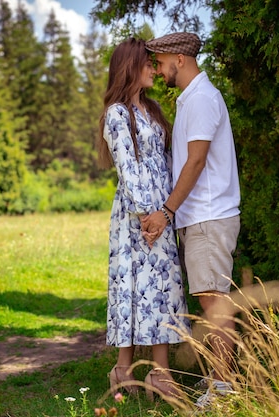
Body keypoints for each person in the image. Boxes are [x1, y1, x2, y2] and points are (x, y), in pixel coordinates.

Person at [141, 32, 241, 408]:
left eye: (160, 61)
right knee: (211, 301)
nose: (157, 68)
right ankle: (220, 384)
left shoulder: (201, 99)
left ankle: (224, 390)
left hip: (209, 218)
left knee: (215, 305)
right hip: (201, 219)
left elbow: (196, 162)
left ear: (179, 60)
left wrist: (166, 211)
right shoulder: (191, 100)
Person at [97, 37, 191, 401]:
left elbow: (166, 164)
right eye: (147, 63)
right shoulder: (117, 113)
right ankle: (123, 369)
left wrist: (166, 212)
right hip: (137, 218)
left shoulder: (152, 111)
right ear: (130, 66)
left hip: (161, 216)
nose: (154, 68)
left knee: (163, 291)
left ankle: (159, 373)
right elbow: (128, 168)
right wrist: (145, 216)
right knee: (133, 290)